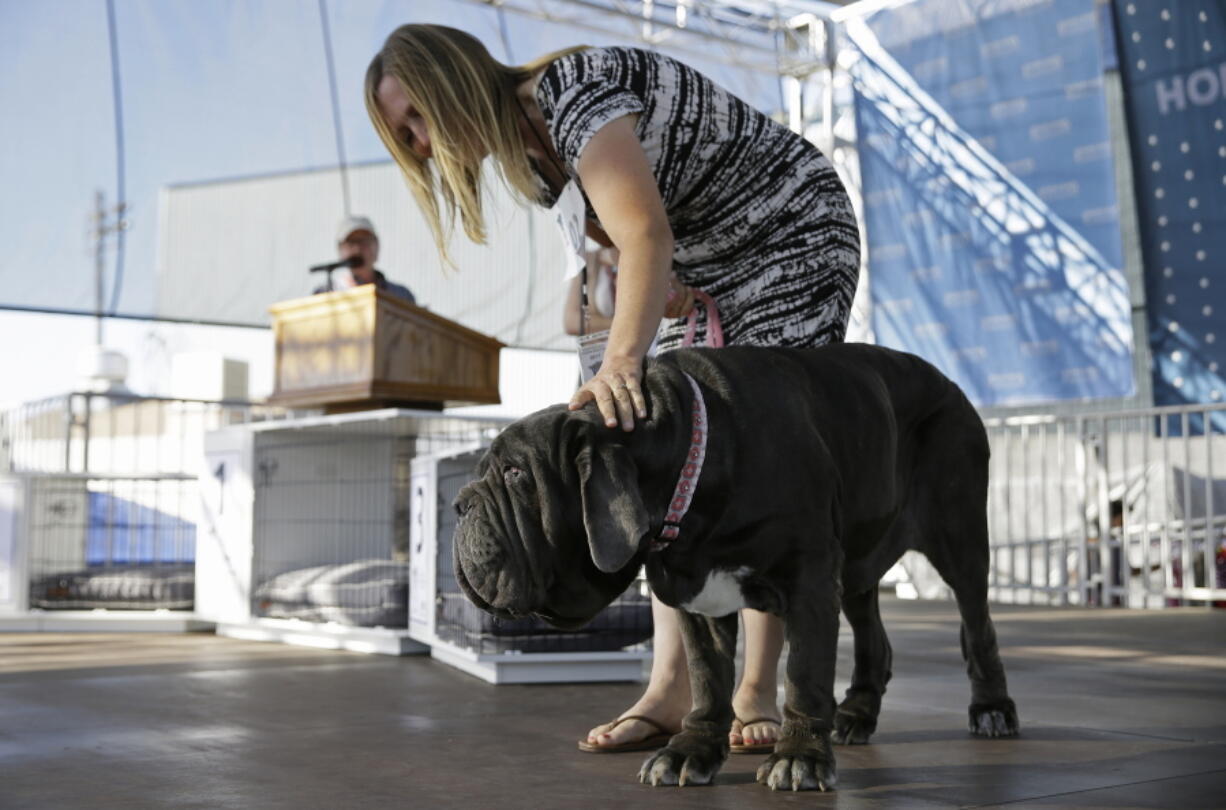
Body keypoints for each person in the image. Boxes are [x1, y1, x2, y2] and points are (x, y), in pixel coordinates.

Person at [365, 25, 860, 754]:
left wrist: (624, 362)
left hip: (791, 234)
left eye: (415, 116)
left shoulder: (571, 93)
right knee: (661, 462)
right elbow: (623, 250)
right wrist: (648, 312)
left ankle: (756, 690)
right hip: (711, 267)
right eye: (400, 134)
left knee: (764, 461)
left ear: (453, 81)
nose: (416, 144)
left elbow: (645, 236)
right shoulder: (531, 166)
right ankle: (673, 689)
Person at [315, 216, 417, 303]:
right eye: (351, 242)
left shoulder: (401, 295)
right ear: (340, 249)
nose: (357, 249)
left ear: (377, 246)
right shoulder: (326, 294)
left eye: (364, 241)